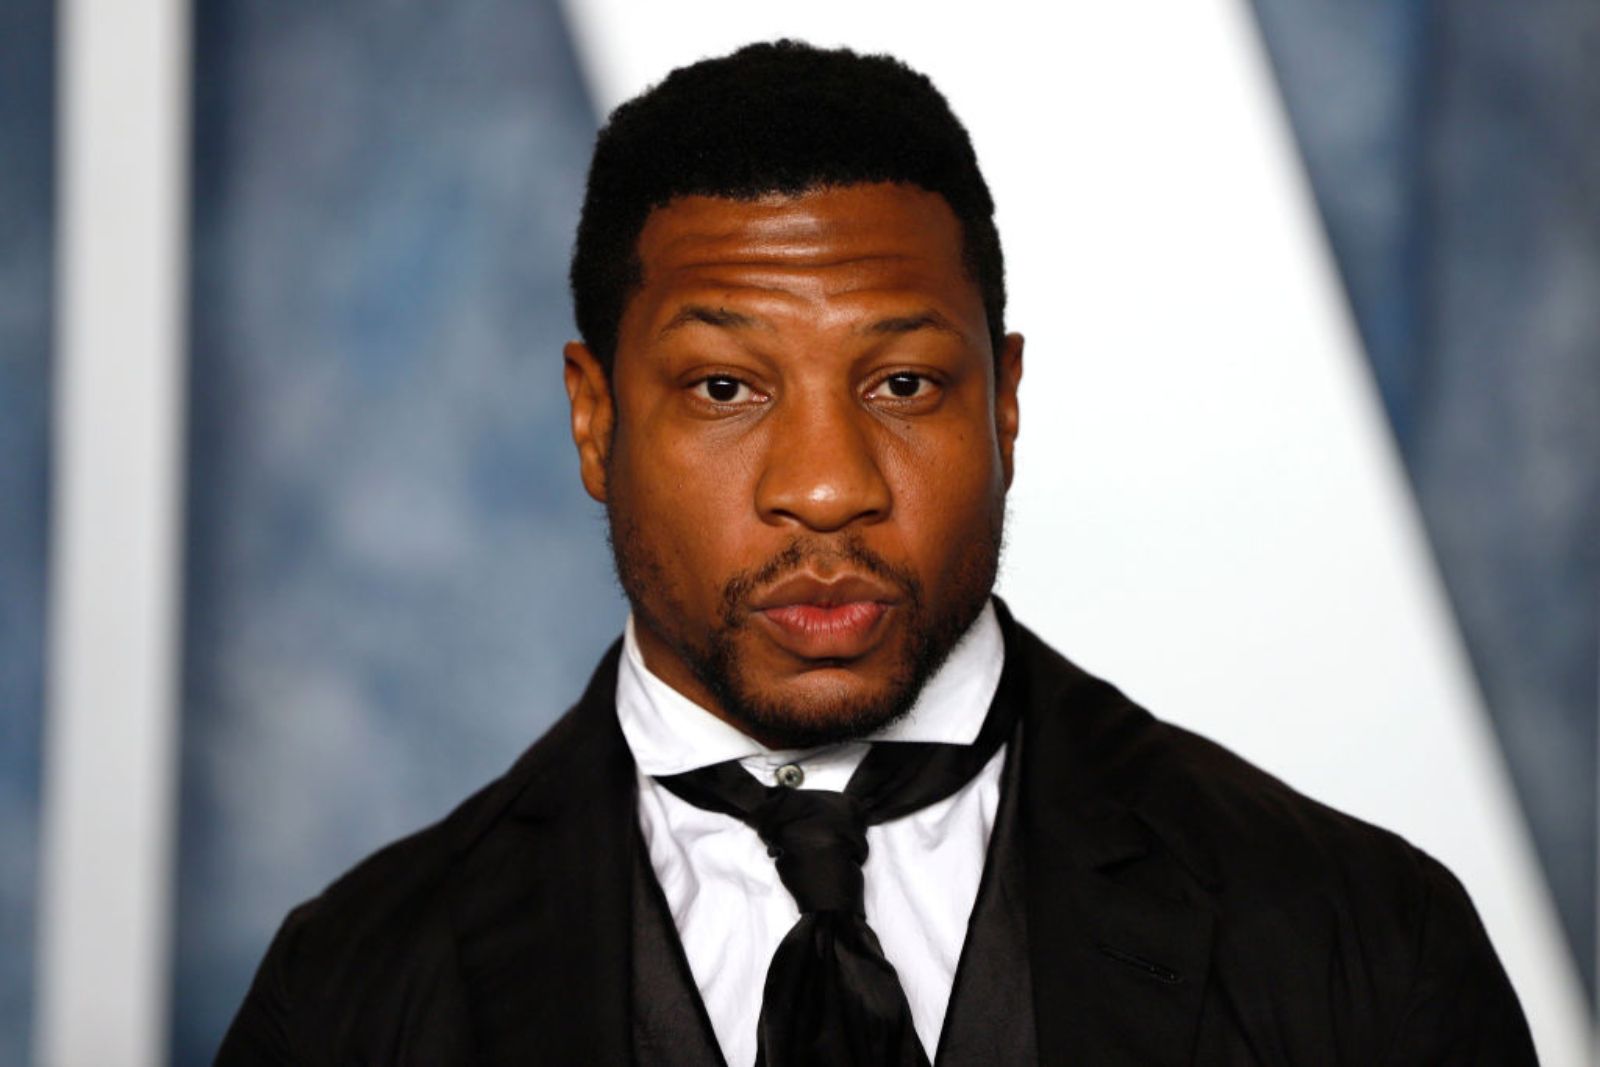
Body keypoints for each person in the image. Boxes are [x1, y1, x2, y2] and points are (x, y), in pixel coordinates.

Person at [216, 40, 1536, 1066]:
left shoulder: (1363, 946)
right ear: (594, 417)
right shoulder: (354, 1000)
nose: (828, 487)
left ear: (1004, 405)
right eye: (726, 389)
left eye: (902, 383)